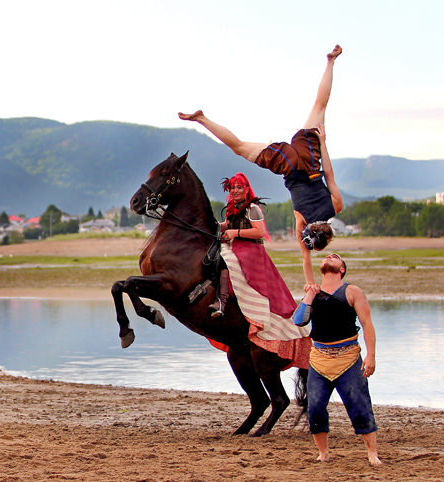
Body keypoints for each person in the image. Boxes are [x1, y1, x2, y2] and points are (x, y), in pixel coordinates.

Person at [179, 45, 345, 289]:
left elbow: (328, 174)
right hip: (286, 164)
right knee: (238, 146)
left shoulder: (336, 205)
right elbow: (306, 259)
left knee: (320, 106)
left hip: (310, 158)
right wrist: (310, 285)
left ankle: (330, 61)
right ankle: (202, 119)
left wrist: (322, 142)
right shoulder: (301, 223)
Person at [209, 173, 310, 369]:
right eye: (233, 188)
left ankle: (222, 301)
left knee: (225, 259)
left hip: (251, 251)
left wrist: (234, 233)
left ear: (246, 189)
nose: (236, 191)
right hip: (236, 246)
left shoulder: (252, 208)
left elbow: (259, 231)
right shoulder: (231, 208)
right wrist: (215, 226)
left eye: (240, 187)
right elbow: (227, 226)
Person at [293, 253, 381, 466]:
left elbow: (367, 323)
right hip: (319, 359)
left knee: (360, 405)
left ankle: (372, 454)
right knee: (314, 408)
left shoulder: (352, 292)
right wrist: (309, 295)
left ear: (341, 269)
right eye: (326, 256)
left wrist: (371, 355)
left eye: (336, 257)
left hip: (348, 358)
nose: (330, 256)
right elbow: (298, 321)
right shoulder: (313, 292)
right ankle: (323, 453)